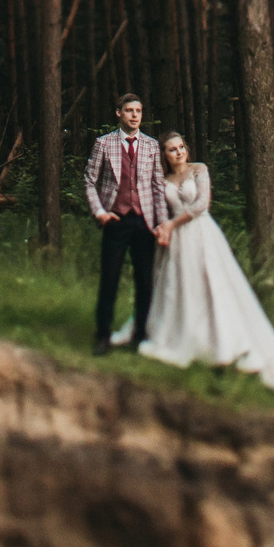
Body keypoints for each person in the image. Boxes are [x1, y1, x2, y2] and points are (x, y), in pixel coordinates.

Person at [111, 130, 274, 442]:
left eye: (181, 148)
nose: (178, 153)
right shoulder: (163, 181)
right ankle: (179, 332)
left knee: (213, 287)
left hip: (201, 235)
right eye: (171, 150)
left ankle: (221, 337)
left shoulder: (199, 170)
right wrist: (159, 229)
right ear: (164, 155)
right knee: (177, 290)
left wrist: (172, 225)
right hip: (175, 243)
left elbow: (202, 204)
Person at [84, 92, 169, 356]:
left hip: (144, 222)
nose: (135, 115)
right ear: (119, 113)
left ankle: (140, 335)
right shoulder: (103, 144)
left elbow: (157, 187)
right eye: (130, 110)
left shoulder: (152, 145)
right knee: (109, 279)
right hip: (116, 221)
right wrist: (99, 212)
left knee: (145, 281)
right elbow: (89, 180)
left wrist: (161, 224)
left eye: (139, 111)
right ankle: (102, 336)